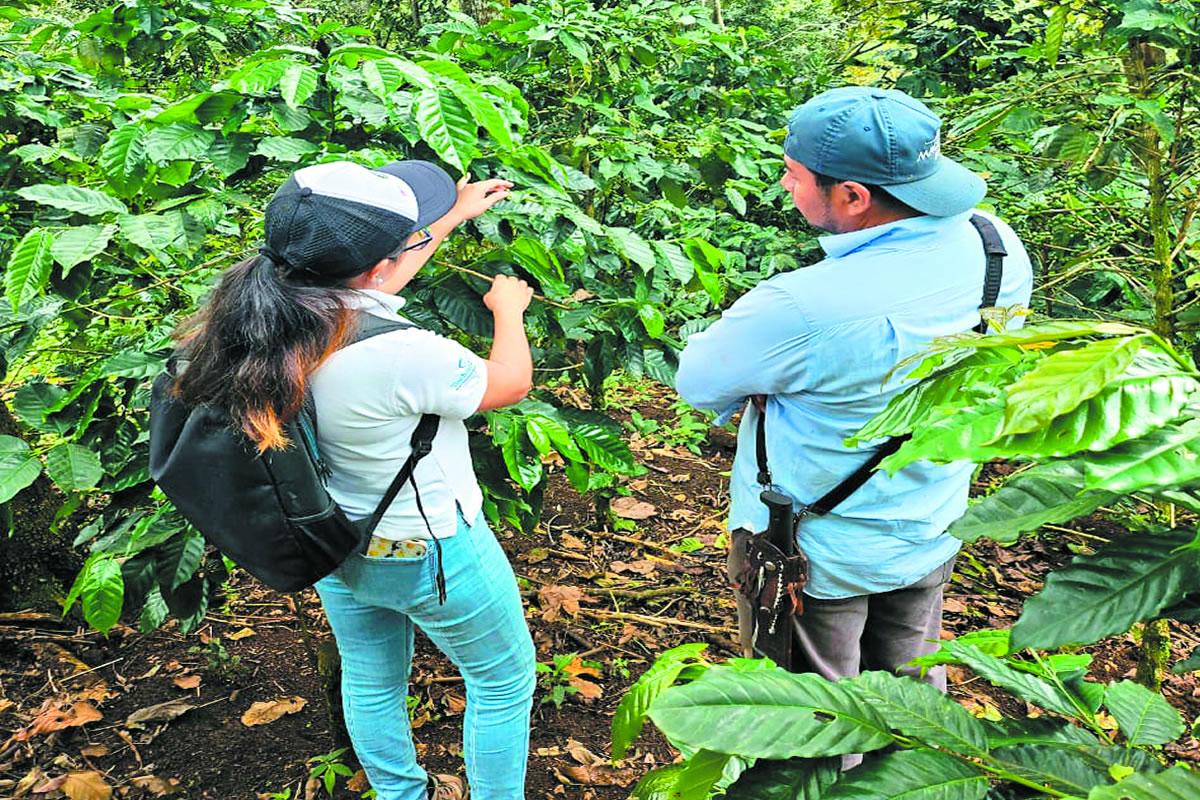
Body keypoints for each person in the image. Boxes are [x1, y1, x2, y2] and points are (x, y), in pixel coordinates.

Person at [171, 159, 537, 800]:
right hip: (429, 549)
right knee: (503, 681)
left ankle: (400, 793)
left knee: (372, 676)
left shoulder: (251, 322)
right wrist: (510, 312)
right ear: (376, 267)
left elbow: (366, 292)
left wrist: (449, 220)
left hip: (334, 539)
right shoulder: (405, 353)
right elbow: (510, 383)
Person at [676, 87, 1034, 699]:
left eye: (793, 176)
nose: (786, 187)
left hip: (815, 557)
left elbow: (699, 381)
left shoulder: (802, 306)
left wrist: (784, 387)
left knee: (811, 721)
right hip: (931, 522)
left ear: (852, 196)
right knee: (914, 705)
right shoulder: (993, 245)